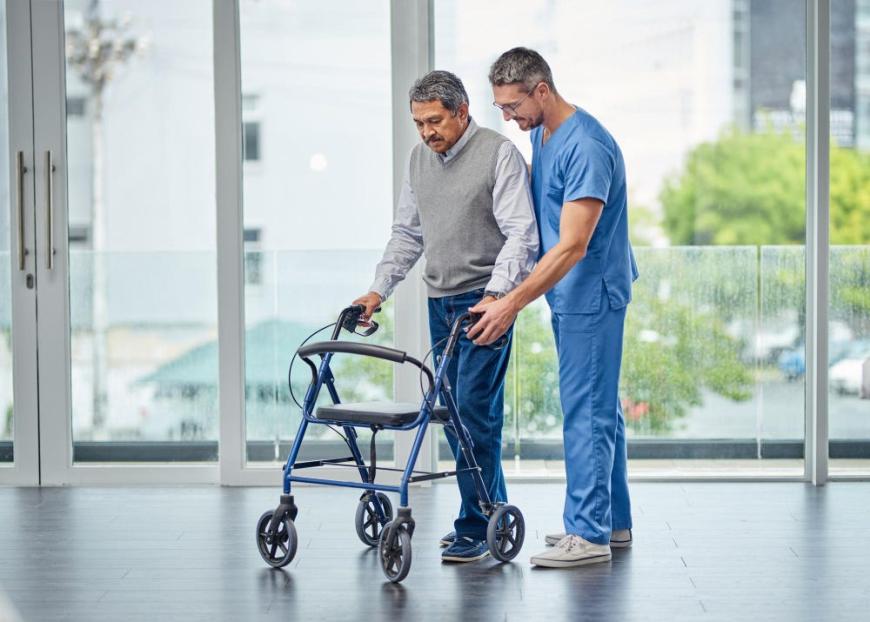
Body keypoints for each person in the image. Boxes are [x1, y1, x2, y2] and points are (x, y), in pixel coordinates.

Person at [352, 70, 538, 563]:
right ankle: (490, 510)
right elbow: (408, 234)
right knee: (454, 416)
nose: (426, 132)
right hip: (440, 302)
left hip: (485, 301)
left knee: (473, 411)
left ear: (461, 112)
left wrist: (498, 296)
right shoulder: (419, 160)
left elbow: (522, 234)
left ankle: (475, 526)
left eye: (434, 121)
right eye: (418, 123)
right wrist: (377, 290)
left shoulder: (499, 154)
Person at [468, 47, 637, 568]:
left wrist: (511, 303)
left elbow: (572, 245)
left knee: (585, 412)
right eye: (499, 108)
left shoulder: (586, 145)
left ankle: (587, 536)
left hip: (592, 294)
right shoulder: (543, 134)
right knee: (598, 409)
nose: (507, 118)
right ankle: (612, 522)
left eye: (513, 106)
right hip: (570, 296)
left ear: (543, 90)